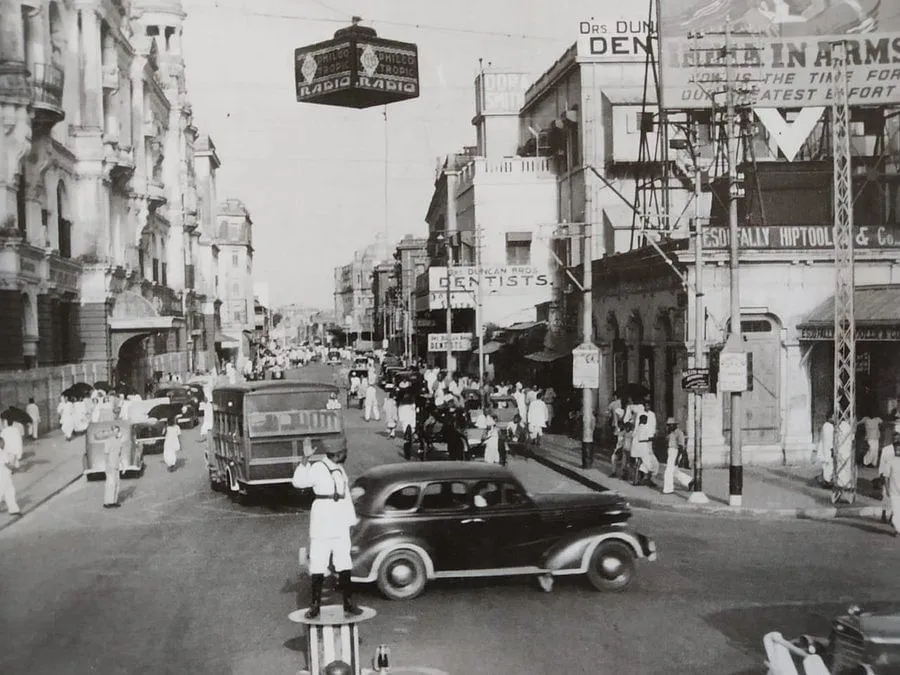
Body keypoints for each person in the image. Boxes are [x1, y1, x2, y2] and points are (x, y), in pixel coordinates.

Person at [291, 440, 362, 618]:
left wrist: (350, 521)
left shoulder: (339, 468)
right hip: (323, 521)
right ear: (338, 453)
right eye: (344, 452)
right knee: (318, 562)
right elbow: (298, 482)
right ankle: (315, 606)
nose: (346, 455)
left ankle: (348, 603)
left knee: (344, 561)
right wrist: (305, 460)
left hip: (339, 523)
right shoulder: (317, 468)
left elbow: (344, 496)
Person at [662, 417, 693, 494]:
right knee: (674, 471)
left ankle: (668, 489)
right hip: (671, 451)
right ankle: (689, 481)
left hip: (675, 452)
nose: (669, 426)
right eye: (668, 425)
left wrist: (677, 457)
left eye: (670, 425)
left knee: (668, 471)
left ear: (675, 425)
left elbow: (681, 446)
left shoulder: (679, 433)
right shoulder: (670, 433)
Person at [879, 432, 900, 536]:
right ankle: (885, 514)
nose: (896, 440)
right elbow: (882, 464)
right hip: (891, 484)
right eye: (894, 438)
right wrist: (881, 476)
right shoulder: (887, 451)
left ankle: (895, 524)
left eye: (898, 438)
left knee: (897, 509)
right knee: (887, 500)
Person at [103, 425, 125, 508]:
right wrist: (107, 465)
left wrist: (123, 466)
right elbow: (106, 454)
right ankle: (107, 502)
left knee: (117, 483)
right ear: (111, 432)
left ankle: (114, 501)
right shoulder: (108, 441)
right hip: (110, 464)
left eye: (117, 431)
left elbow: (120, 455)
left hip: (116, 465)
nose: (116, 433)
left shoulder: (119, 442)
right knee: (110, 483)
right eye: (115, 431)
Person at [0, 436, 20, 516]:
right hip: (4, 475)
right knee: (9, 491)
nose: (4, 444)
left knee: (4, 492)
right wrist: (14, 469)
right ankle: (13, 509)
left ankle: (13, 509)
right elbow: (7, 464)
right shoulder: (2, 452)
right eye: (2, 442)